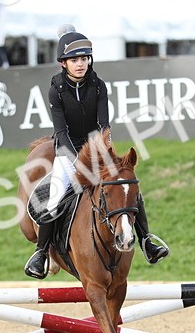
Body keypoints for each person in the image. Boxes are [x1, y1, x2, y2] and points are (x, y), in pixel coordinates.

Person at [24, 25, 170, 279]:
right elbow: (61, 132)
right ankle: (41, 252)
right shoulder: (56, 89)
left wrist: (104, 153)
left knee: (127, 188)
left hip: (97, 151)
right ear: (63, 63)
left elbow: (104, 126)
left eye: (83, 59)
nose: (80, 64)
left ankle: (147, 240)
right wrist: (76, 161)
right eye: (74, 60)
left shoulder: (98, 86)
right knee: (56, 197)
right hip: (67, 152)